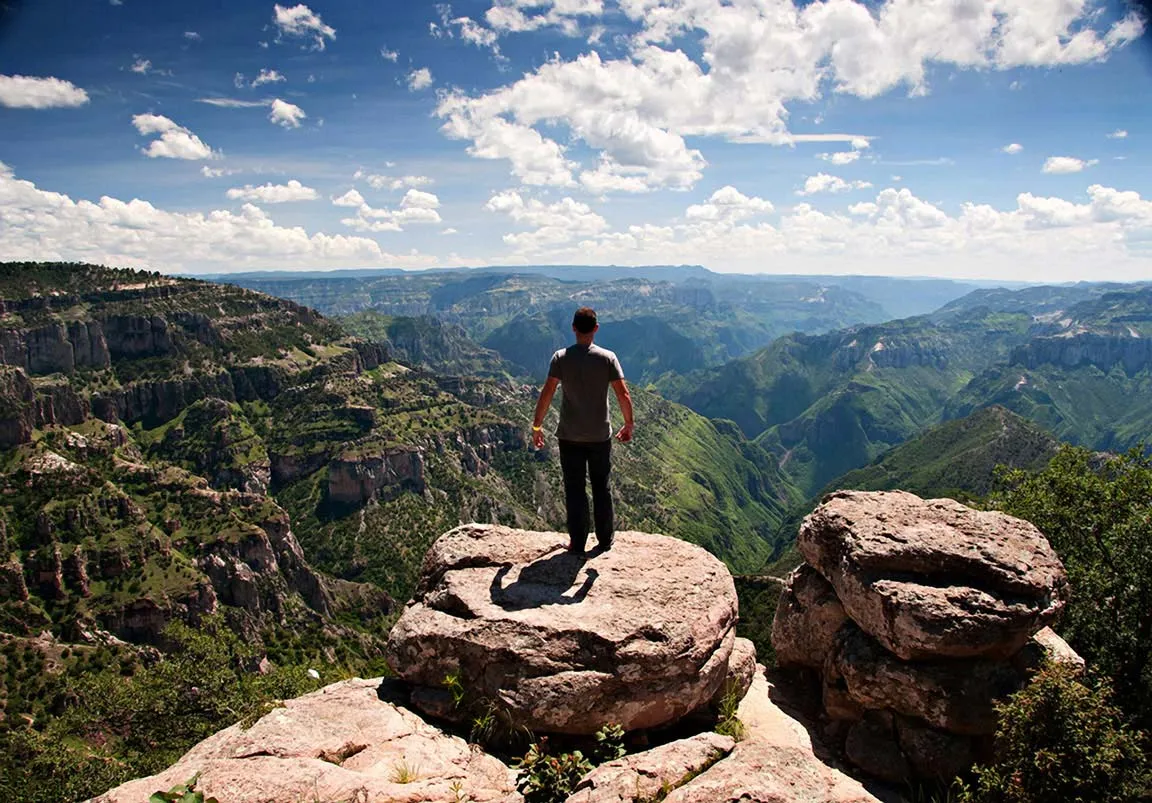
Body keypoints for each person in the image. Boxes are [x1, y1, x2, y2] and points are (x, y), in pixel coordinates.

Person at [531, 307, 634, 554]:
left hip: (569, 436)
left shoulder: (560, 358)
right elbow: (623, 393)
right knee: (602, 487)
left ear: (573, 328)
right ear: (596, 328)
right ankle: (605, 540)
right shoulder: (608, 358)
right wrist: (629, 423)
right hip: (600, 436)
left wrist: (537, 425)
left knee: (574, 489)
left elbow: (547, 393)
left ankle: (577, 543)